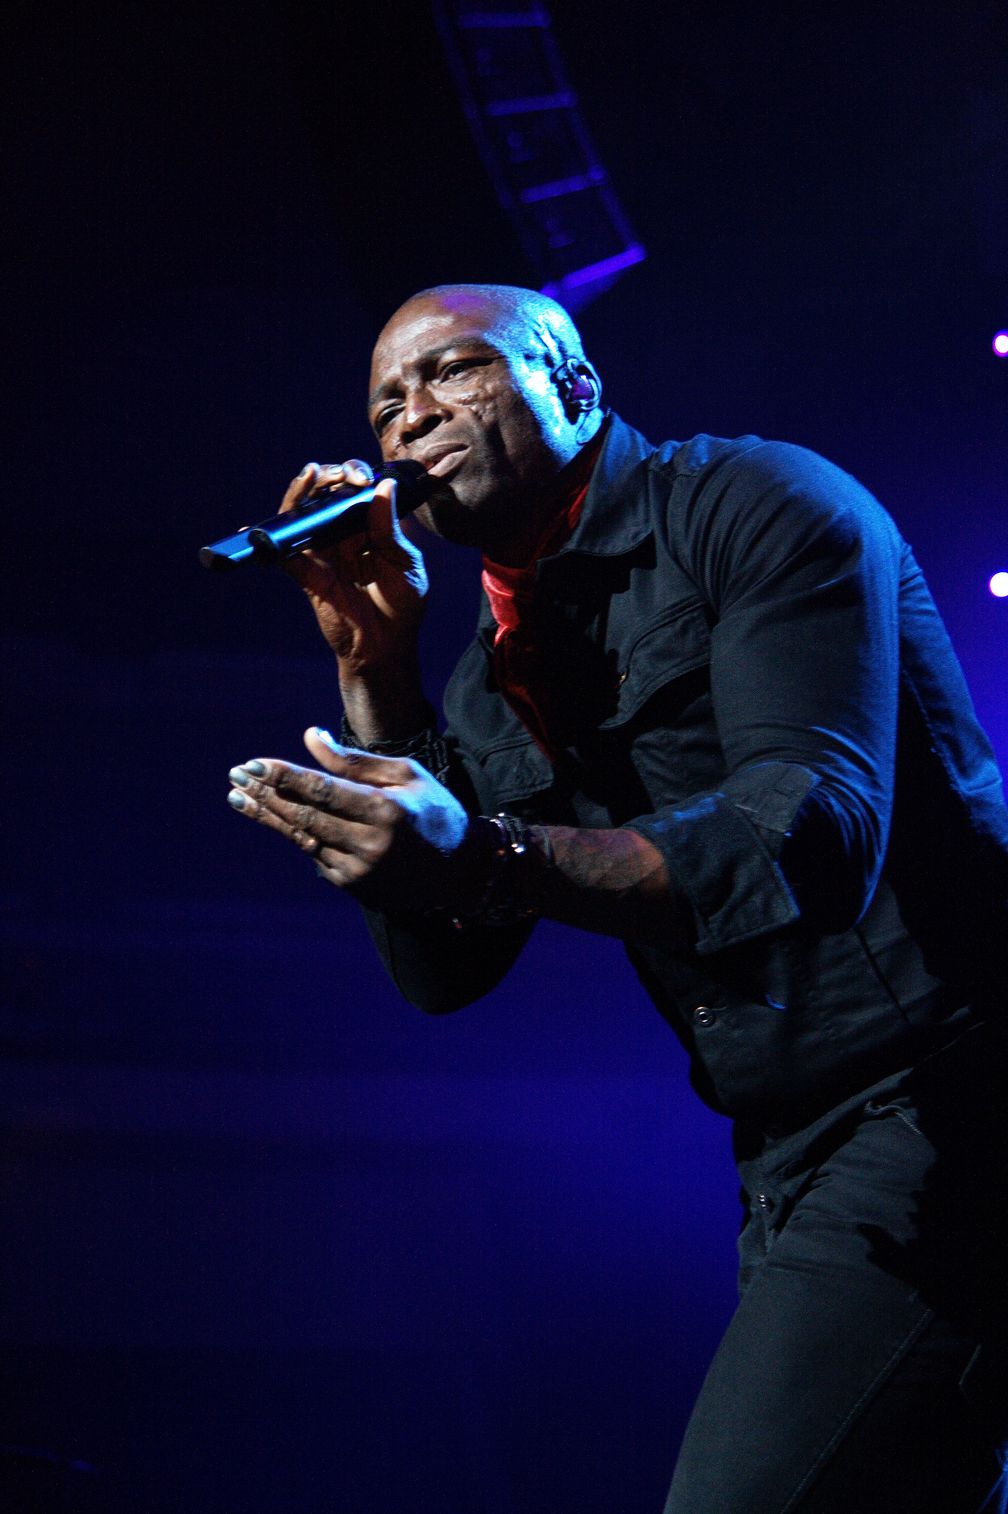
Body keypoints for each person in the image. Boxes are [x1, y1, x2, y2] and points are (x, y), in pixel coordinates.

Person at [226, 283, 1008, 1512]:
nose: (408, 421)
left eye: (453, 373)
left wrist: (484, 851)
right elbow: (445, 970)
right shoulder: (493, 673)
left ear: (574, 387)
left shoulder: (758, 505)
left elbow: (807, 837)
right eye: (385, 403)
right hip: (785, 1147)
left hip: (953, 1097)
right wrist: (376, 669)